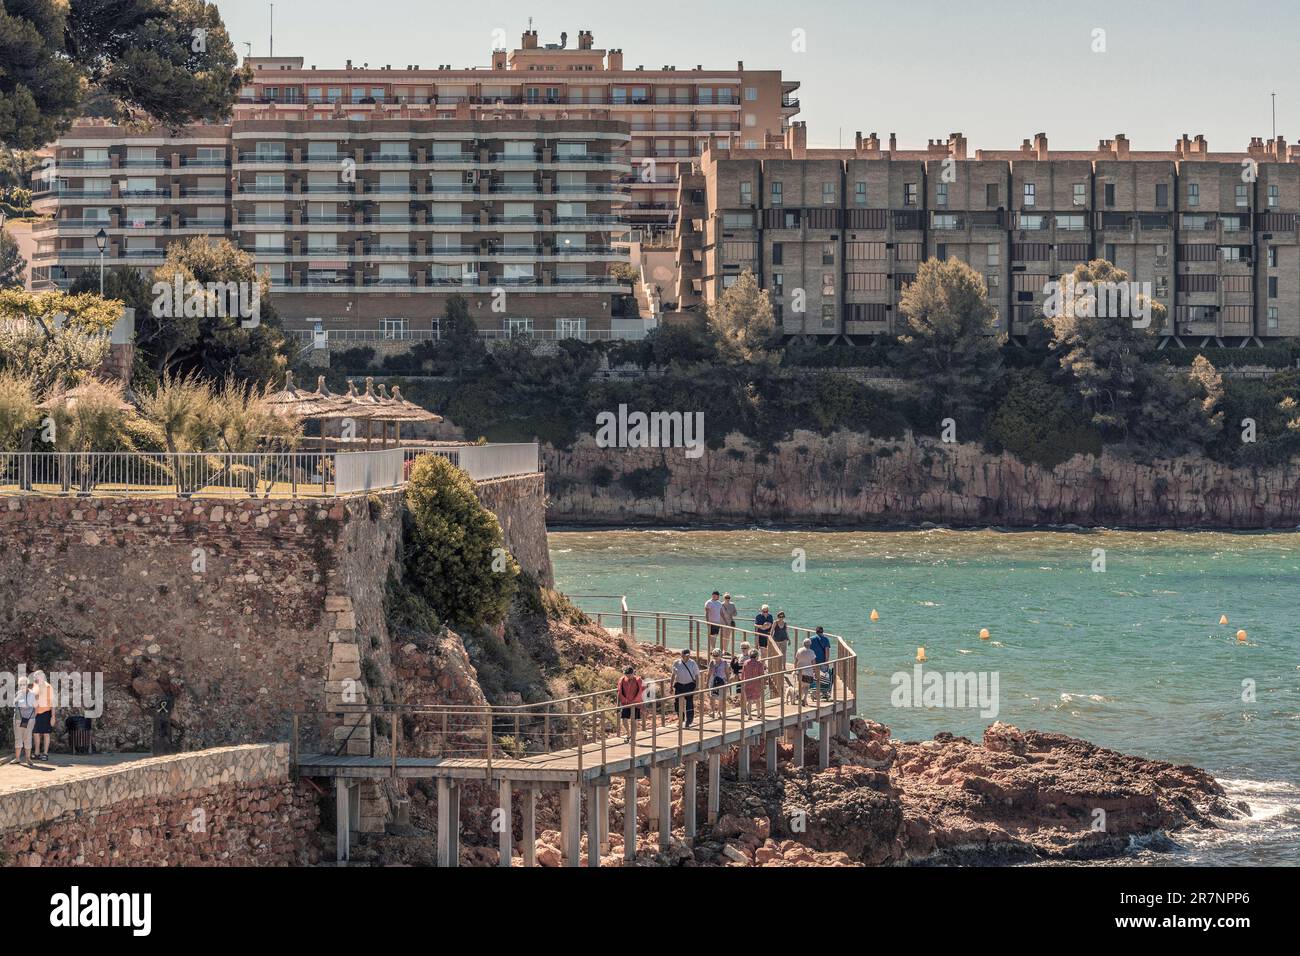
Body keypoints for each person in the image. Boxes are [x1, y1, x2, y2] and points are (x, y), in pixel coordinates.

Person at [671, 648, 700, 728]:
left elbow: (697, 675)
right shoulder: (676, 663)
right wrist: (671, 686)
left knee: (689, 703)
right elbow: (673, 675)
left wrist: (697, 686)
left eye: (688, 655)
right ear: (682, 655)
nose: (687, 657)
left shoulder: (692, 663)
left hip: (689, 685)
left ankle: (689, 721)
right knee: (677, 703)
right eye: (685, 655)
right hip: (679, 685)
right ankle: (681, 719)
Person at [31, 670, 54, 762]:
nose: (36, 678)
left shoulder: (48, 687)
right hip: (35, 713)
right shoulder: (34, 685)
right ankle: (37, 753)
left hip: (45, 713)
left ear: (42, 676)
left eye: (38, 676)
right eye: (35, 676)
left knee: (46, 734)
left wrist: (53, 716)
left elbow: (53, 702)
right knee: (36, 733)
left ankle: (45, 753)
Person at [12, 676, 35, 767]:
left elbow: (29, 705)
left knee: (27, 738)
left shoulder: (32, 694)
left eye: (24, 684)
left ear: (27, 684)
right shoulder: (18, 693)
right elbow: (15, 703)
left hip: (29, 719)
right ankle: (17, 758)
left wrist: (21, 702)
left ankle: (28, 759)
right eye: (20, 684)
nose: (22, 686)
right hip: (18, 719)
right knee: (18, 738)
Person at [616, 666, 645, 739]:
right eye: (626, 675)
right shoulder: (622, 680)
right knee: (624, 719)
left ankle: (633, 737)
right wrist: (618, 705)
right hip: (626, 703)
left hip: (635, 703)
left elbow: (642, 691)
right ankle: (628, 733)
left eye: (629, 675)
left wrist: (642, 705)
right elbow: (619, 692)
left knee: (634, 721)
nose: (628, 676)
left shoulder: (638, 680)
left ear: (633, 673)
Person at [740, 649, 765, 719]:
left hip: (747, 683)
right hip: (756, 684)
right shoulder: (759, 664)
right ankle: (758, 714)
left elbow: (743, 674)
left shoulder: (745, 663)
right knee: (757, 700)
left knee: (749, 700)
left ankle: (750, 716)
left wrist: (742, 682)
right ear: (757, 656)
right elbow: (761, 675)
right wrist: (763, 684)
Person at [769, 611, 790, 694]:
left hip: (784, 639)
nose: (781, 618)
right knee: (778, 654)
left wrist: (789, 639)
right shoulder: (775, 622)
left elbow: (786, 631)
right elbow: (771, 631)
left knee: (784, 654)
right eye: (780, 616)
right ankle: (777, 666)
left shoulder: (785, 623)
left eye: (782, 616)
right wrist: (770, 639)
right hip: (777, 639)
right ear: (778, 616)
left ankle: (784, 667)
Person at [794, 638, 818, 705]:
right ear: (810, 644)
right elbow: (814, 663)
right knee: (806, 686)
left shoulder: (799, 651)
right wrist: (816, 673)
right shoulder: (812, 652)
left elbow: (796, 661)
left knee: (801, 685)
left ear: (803, 644)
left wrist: (794, 670)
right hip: (808, 672)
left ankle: (800, 697)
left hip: (800, 671)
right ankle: (804, 699)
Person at [707, 648, 729, 715]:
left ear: (720, 655)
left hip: (722, 681)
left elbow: (727, 672)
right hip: (713, 681)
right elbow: (709, 673)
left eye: (717, 655)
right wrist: (707, 682)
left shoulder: (724, 662)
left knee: (721, 697)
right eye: (714, 655)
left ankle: (719, 712)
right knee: (712, 697)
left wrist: (727, 681)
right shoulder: (712, 662)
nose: (715, 657)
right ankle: (713, 711)